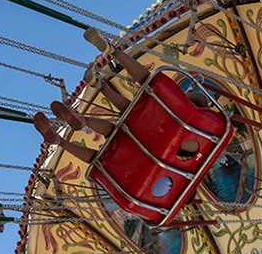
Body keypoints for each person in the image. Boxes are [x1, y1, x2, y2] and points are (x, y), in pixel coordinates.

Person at [33, 28, 215, 163]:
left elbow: (198, 102)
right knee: (120, 129)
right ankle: (66, 135)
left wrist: (191, 97)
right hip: (166, 143)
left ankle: (111, 54)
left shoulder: (206, 133)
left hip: (165, 132)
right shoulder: (190, 158)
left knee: (144, 92)